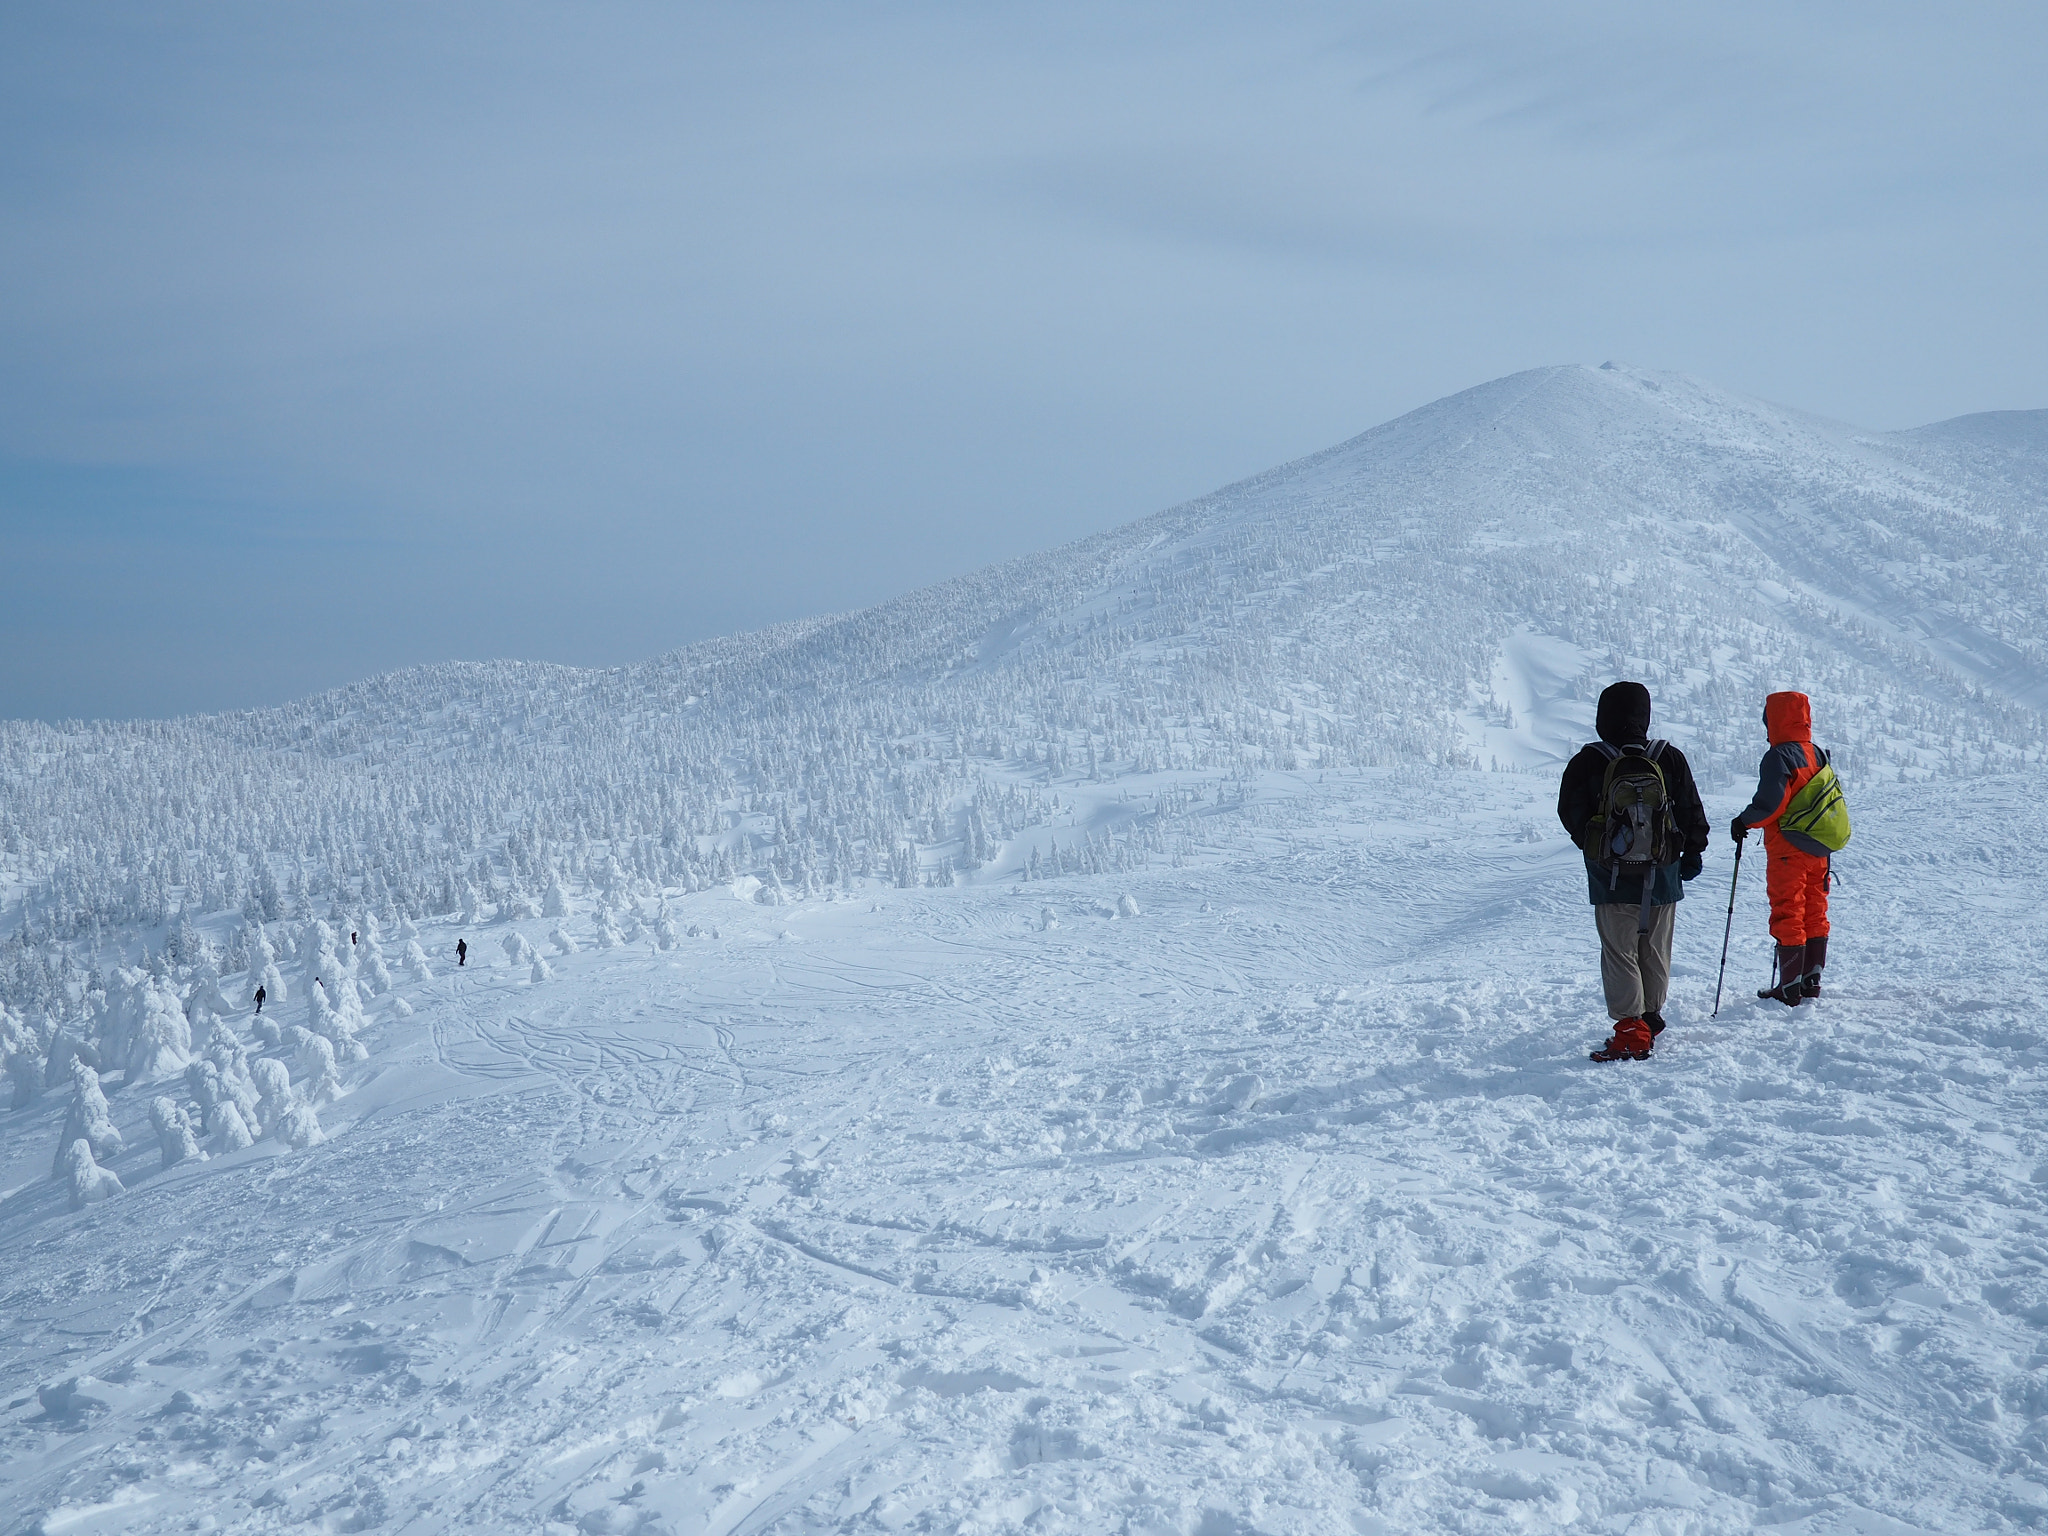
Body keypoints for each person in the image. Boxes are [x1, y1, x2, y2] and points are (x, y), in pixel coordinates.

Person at [1558, 681, 1711, 1061]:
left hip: (1610, 879)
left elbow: (1569, 811)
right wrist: (1689, 856)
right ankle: (1650, 1017)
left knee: (1619, 952)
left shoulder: (1588, 761)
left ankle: (1630, 1031)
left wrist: (1597, 849)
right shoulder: (1668, 757)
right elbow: (1692, 811)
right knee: (1655, 948)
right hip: (1662, 875)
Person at [1730, 690, 1831, 1005]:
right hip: (1820, 848)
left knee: (1788, 909)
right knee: (1815, 909)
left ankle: (1789, 988)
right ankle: (1810, 981)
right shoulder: (1816, 752)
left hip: (1789, 849)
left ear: (1773, 720)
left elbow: (1772, 804)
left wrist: (1744, 821)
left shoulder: (1779, 756)